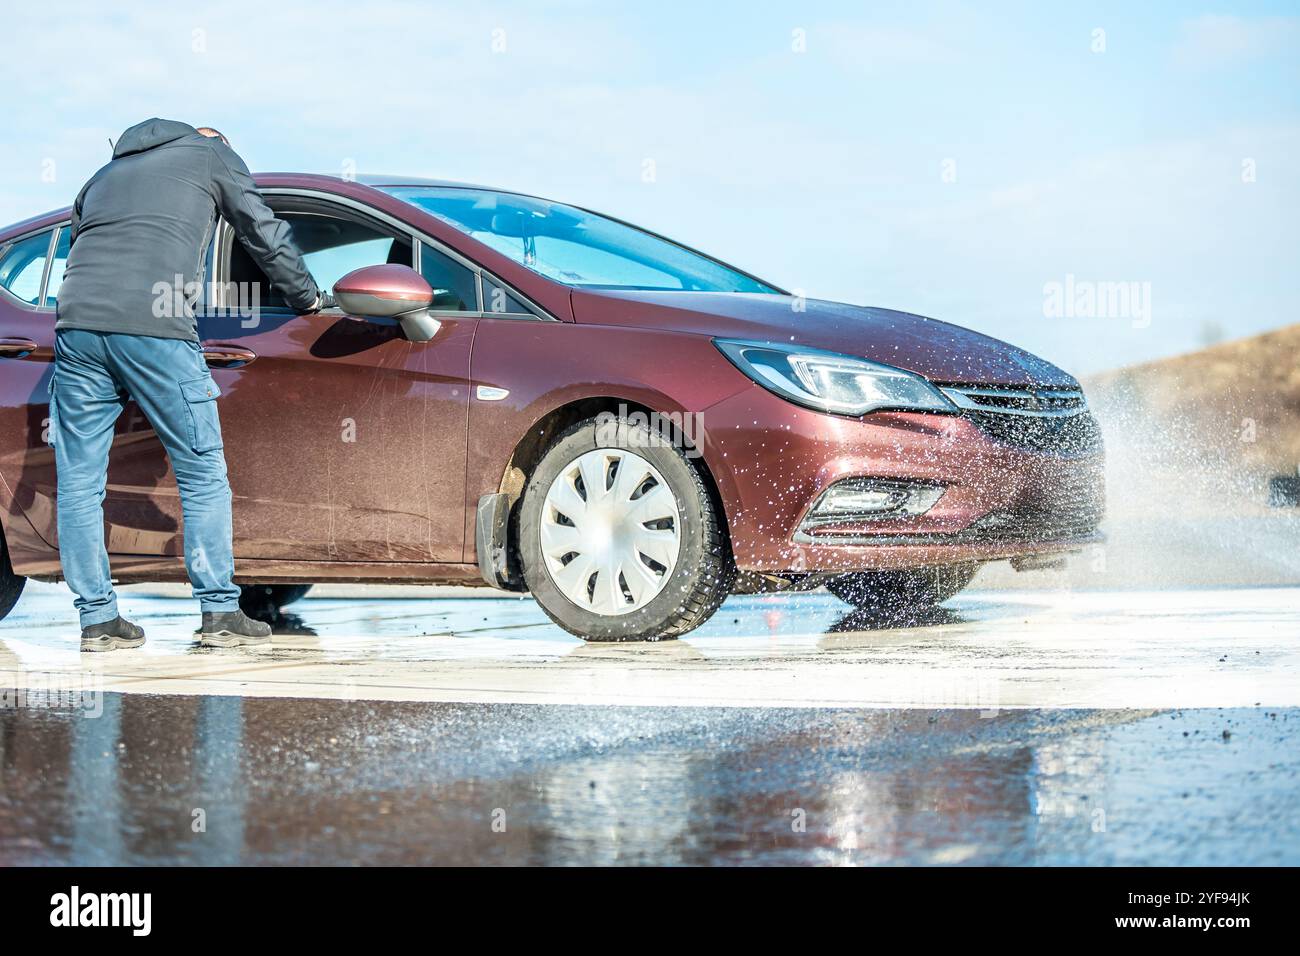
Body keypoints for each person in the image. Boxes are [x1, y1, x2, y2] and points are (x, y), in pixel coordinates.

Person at [53, 118, 329, 651]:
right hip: (156, 328)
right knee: (202, 474)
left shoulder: (102, 175)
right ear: (215, 139)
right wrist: (308, 300)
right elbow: (262, 231)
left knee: (80, 484)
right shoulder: (211, 155)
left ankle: (98, 622)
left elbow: (79, 246)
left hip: (77, 327)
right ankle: (221, 614)